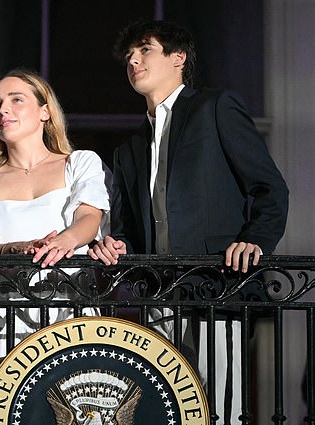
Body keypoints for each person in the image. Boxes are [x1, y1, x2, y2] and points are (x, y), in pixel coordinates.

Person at [88, 20, 289, 424]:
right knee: (165, 408)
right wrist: (115, 244)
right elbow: (127, 229)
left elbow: (270, 188)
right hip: (158, 299)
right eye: (129, 55)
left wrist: (256, 241)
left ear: (178, 58)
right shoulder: (129, 150)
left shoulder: (215, 107)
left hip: (219, 286)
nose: (133, 59)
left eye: (145, 49)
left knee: (222, 409)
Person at [0, 69, 110, 424]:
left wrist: (65, 241)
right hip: (1, 325)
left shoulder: (79, 162)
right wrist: (17, 249)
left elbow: (90, 218)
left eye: (15, 100)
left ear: (45, 111)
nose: (1, 111)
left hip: (68, 318)